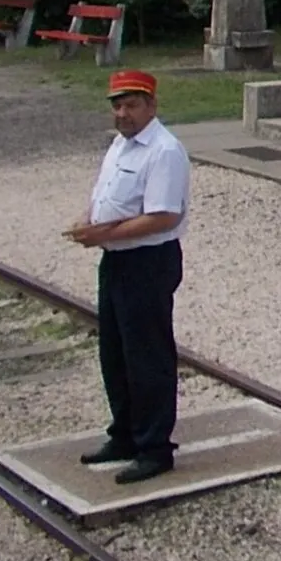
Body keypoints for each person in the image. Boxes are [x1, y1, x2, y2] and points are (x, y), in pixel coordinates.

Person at [66, 70, 191, 484]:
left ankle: (155, 447)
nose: (123, 113)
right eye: (117, 105)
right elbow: (104, 195)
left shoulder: (164, 151)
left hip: (148, 262)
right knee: (115, 351)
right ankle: (124, 434)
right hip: (117, 260)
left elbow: (162, 215)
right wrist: (89, 220)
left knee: (147, 356)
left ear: (151, 106)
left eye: (132, 105)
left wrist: (100, 233)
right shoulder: (120, 146)